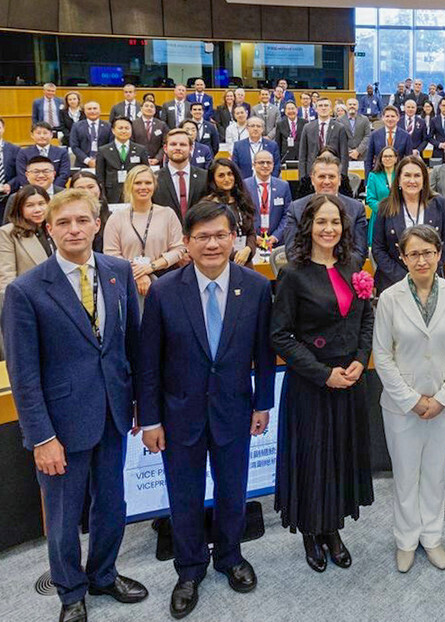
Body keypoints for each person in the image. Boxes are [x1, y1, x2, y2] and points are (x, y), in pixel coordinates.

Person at [1, 189, 148, 622]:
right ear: (49, 229)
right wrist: (41, 436)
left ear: (97, 224)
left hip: (114, 413)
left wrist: (140, 404)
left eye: (82, 221)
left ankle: (104, 573)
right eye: (63, 223)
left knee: (112, 504)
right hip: (60, 425)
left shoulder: (119, 272)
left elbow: (131, 347)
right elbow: (22, 375)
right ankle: (71, 591)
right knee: (64, 517)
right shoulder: (26, 290)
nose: (74, 230)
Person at [137, 201, 273, 618]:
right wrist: (151, 419)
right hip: (180, 416)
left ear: (234, 239)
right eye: (202, 237)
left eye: (220, 235)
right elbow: (149, 362)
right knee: (185, 495)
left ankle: (230, 557)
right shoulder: (163, 290)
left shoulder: (256, 287)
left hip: (235, 410)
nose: (212, 243)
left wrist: (263, 403)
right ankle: (190, 568)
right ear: (186, 243)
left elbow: (264, 353)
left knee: (234, 491)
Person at [271, 193, 375, 573]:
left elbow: (366, 320)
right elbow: (280, 335)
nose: (329, 228)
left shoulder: (354, 268)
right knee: (313, 460)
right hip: (311, 383)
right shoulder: (292, 274)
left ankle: (333, 528)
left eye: (336, 222)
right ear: (307, 227)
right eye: (321, 222)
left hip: (348, 381)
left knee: (339, 457)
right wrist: (322, 373)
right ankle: (311, 532)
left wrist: (360, 362)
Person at [372, 224, 445, 573]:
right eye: (413, 253)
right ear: (402, 257)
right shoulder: (389, 298)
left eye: (427, 252)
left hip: (444, 404)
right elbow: (382, 355)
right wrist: (412, 400)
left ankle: (432, 537)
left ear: (439, 254)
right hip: (402, 406)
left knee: (434, 473)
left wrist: (443, 397)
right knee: (405, 474)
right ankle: (405, 540)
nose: (421, 259)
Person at [371, 156, 445, 293]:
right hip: (394, 283)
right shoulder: (385, 207)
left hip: (432, 280)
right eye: (407, 175)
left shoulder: (439, 203)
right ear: (398, 179)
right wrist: (406, 279)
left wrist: (427, 272)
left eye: (417, 176)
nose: (412, 181)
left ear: (424, 179)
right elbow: (378, 249)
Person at [102, 166, 187, 297]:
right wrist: (138, 273)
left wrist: (151, 267)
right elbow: (111, 254)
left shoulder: (167, 214)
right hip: (127, 282)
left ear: (154, 185)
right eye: (137, 183)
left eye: (148, 183)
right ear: (129, 185)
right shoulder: (116, 218)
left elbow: (179, 248)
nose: (143, 187)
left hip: (164, 279)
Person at [281, 152, 369, 261]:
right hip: (307, 274)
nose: (327, 181)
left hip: (345, 273)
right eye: (322, 176)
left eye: (331, 177)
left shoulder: (357, 209)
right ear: (313, 180)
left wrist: (335, 271)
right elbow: (292, 252)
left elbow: (359, 253)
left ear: (340, 180)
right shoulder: (296, 209)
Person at [0, 184, 53, 288]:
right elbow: (7, 277)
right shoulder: (6, 233)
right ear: (19, 208)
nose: (37, 209)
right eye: (30, 205)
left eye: (41, 204)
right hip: (30, 295)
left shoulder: (55, 228)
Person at [201, 158, 257, 266]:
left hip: (245, 260)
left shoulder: (242, 200)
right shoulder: (208, 205)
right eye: (221, 175)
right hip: (221, 263)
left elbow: (251, 232)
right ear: (213, 180)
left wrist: (248, 249)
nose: (227, 179)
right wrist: (235, 255)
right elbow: (211, 238)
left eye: (230, 174)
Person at [153, 129, 207, 224]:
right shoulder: (155, 179)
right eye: (173, 144)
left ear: (191, 148)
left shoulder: (205, 177)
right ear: (165, 148)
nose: (178, 148)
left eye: (183, 144)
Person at [244, 148, 292, 247]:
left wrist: (275, 236)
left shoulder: (283, 186)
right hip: (252, 242)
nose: (265, 166)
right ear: (254, 165)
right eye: (261, 162)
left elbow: (287, 214)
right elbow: (242, 214)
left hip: (276, 243)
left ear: (273, 164)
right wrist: (253, 236)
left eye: (269, 163)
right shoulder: (244, 185)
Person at [298, 98, 350, 187]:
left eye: (326, 105)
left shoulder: (339, 128)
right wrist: (303, 176)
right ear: (316, 109)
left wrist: (342, 176)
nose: (323, 108)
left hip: (333, 172)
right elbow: (302, 155)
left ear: (330, 109)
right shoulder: (307, 127)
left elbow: (344, 155)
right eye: (320, 106)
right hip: (312, 173)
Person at [95, 117, 147, 204]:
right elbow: (100, 176)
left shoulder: (140, 149)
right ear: (113, 130)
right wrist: (103, 196)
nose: (124, 131)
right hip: (111, 194)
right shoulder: (103, 150)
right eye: (120, 128)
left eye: (127, 128)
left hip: (134, 192)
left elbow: (145, 172)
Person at [67, 170, 112, 252]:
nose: (87, 192)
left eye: (91, 187)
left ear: (99, 187)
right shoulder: (66, 218)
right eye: (80, 188)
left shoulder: (112, 217)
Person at [231, 116, 280, 182]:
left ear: (263, 129)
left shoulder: (272, 145)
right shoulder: (238, 146)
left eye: (258, 126)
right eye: (252, 126)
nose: (255, 129)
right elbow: (235, 167)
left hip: (267, 183)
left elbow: (276, 166)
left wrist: (270, 180)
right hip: (245, 183)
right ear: (247, 128)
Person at [366, 147, 398, 246]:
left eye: (390, 156)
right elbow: (370, 199)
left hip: (398, 215)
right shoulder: (373, 176)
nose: (387, 159)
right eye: (385, 156)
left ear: (396, 158)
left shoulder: (402, 175)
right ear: (380, 159)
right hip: (379, 215)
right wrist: (384, 209)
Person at [365, 106, 412, 173]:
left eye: (393, 116)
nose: (390, 119)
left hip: (398, 174)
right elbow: (369, 160)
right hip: (379, 174)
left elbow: (409, 160)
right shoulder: (374, 135)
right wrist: (368, 181)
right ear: (382, 118)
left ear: (398, 118)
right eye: (387, 116)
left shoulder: (406, 136)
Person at [69, 102, 111, 168]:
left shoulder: (108, 126)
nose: (92, 111)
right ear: (85, 111)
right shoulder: (76, 126)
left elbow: (110, 145)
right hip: (82, 164)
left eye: (95, 108)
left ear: (100, 111)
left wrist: (99, 160)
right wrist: (88, 161)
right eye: (89, 109)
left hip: (104, 163)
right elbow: (74, 146)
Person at [344, 98, 373, 163]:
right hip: (345, 155)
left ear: (358, 106)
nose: (352, 106)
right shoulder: (340, 120)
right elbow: (339, 138)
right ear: (346, 106)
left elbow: (367, 136)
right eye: (350, 104)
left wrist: (358, 151)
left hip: (362, 155)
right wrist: (350, 152)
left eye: (354, 104)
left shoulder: (365, 119)